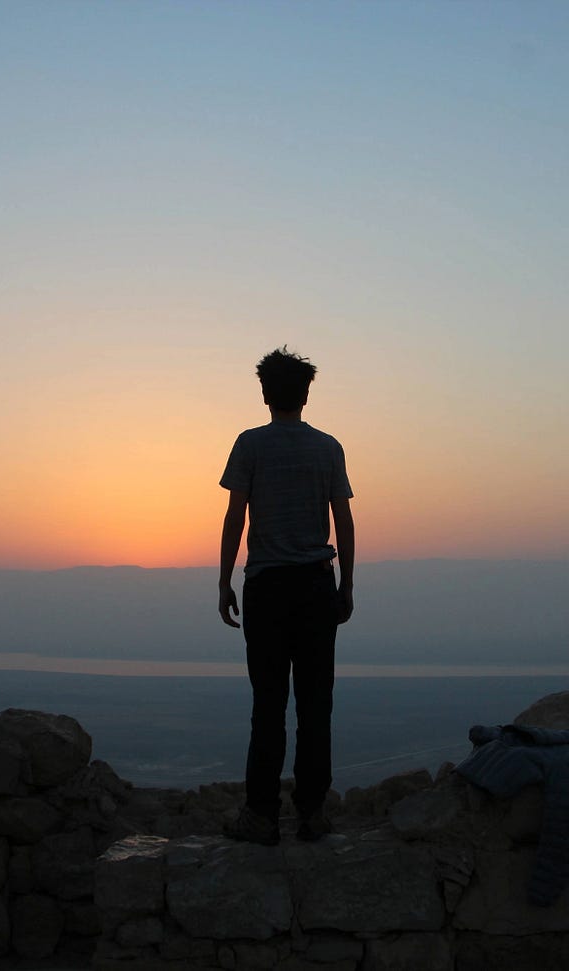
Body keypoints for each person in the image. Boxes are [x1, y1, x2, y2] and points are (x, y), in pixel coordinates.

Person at [217, 347, 354, 845]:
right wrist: (347, 583)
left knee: (268, 704)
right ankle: (313, 814)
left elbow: (236, 516)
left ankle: (261, 815)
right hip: (317, 584)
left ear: (264, 393)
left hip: (268, 588)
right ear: (307, 393)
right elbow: (344, 519)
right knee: (317, 704)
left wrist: (223, 579)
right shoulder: (328, 447)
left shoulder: (250, 445)